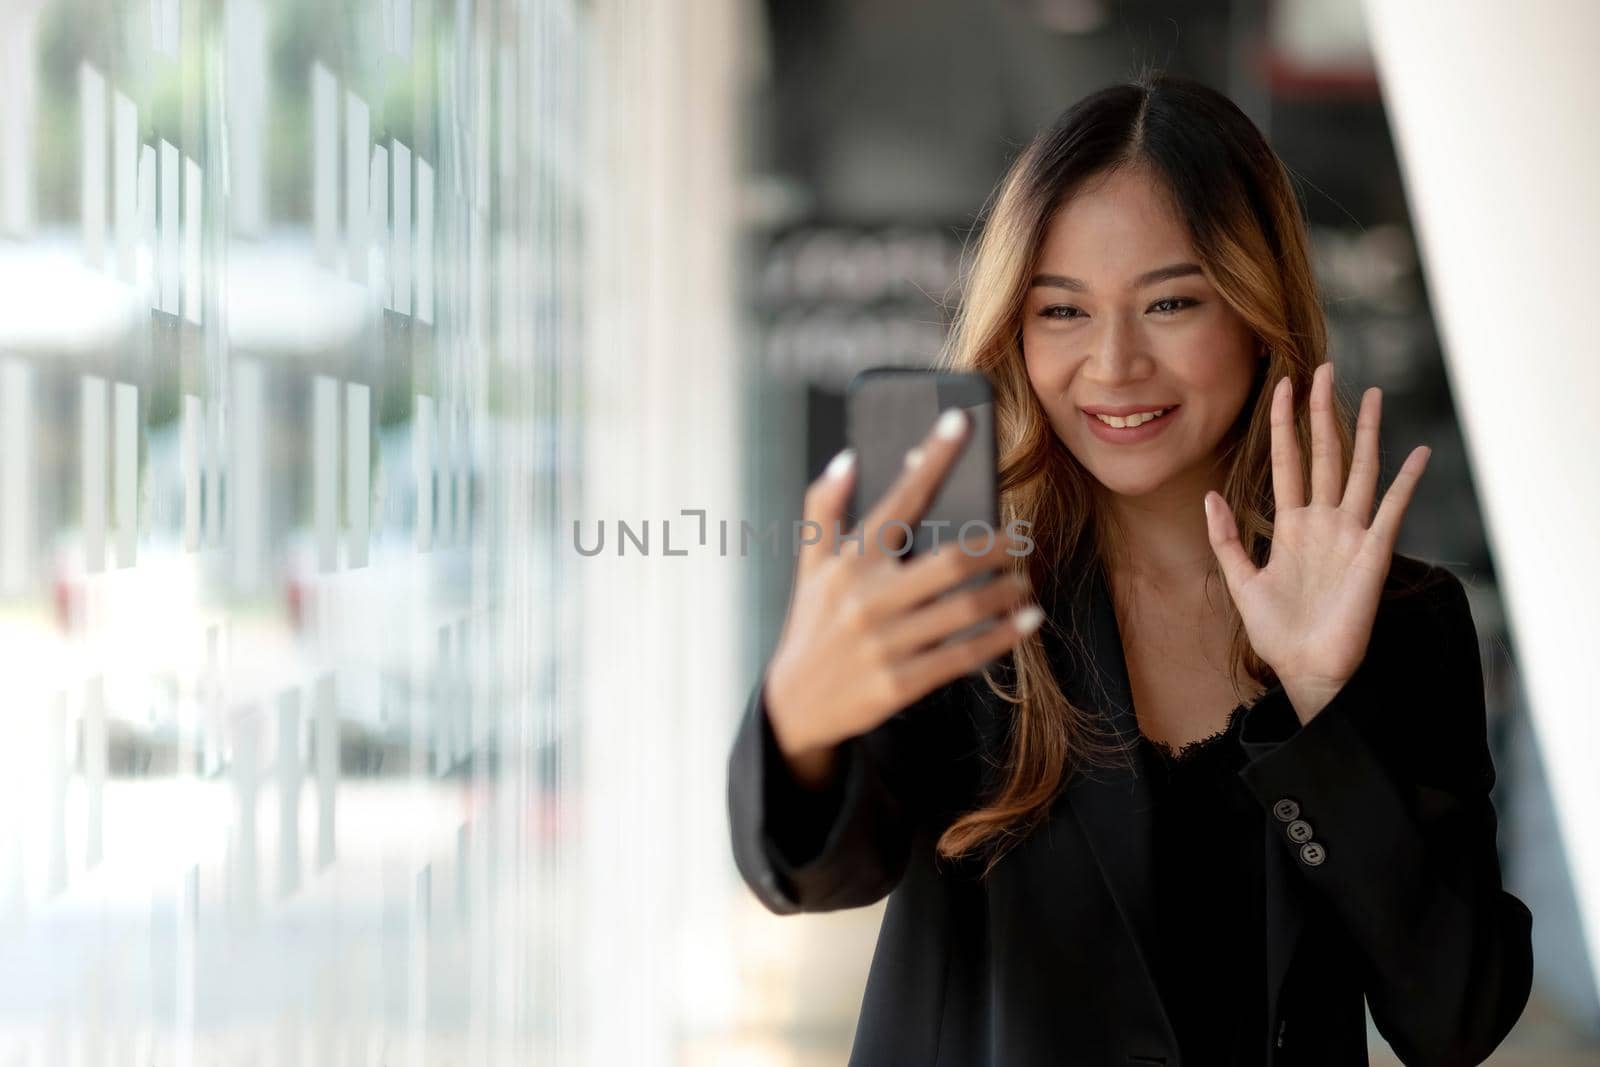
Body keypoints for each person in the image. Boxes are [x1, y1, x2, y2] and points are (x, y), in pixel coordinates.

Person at [726, 71, 1533, 1067]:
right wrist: (798, 720)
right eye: (1061, 310)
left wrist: (1324, 702)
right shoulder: (964, 591)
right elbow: (815, 874)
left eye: (1170, 302)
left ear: (1255, 307)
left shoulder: (1403, 620)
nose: (1111, 364)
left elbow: (1451, 1016)